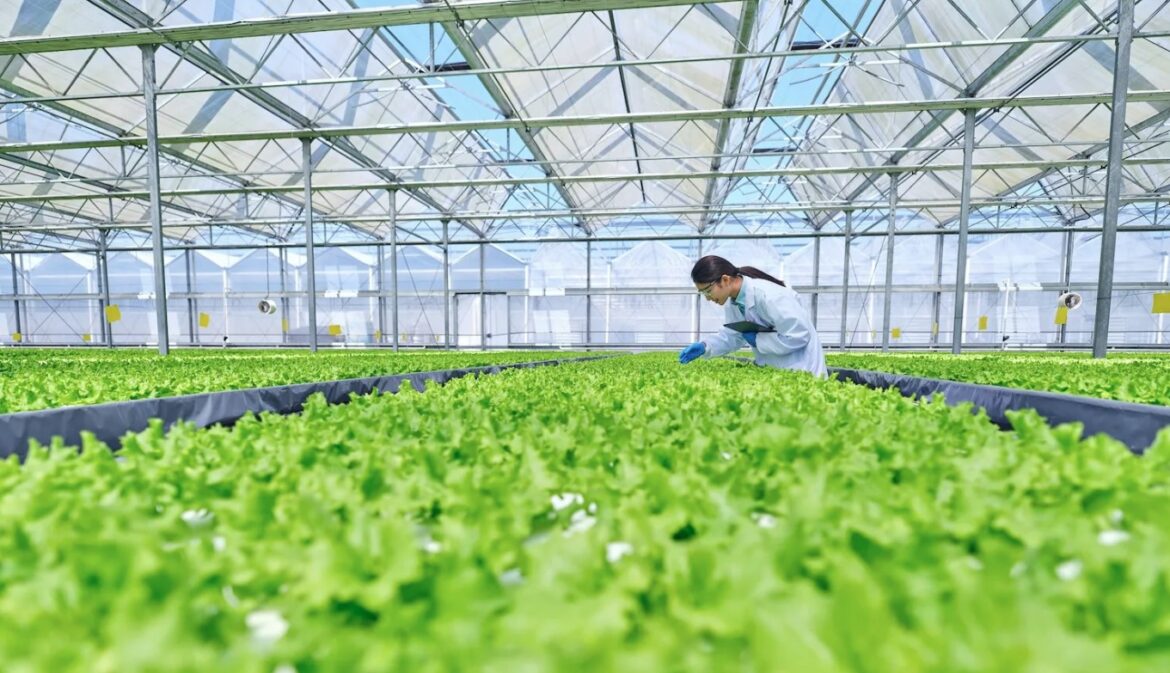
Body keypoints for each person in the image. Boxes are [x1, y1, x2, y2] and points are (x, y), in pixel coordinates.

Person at [679, 255, 827, 378]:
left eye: (707, 291)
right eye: (703, 293)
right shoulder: (734, 302)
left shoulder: (769, 296)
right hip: (778, 371)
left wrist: (758, 340)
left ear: (725, 280)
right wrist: (706, 346)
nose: (707, 298)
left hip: (803, 369)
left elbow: (798, 336)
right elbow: (733, 336)